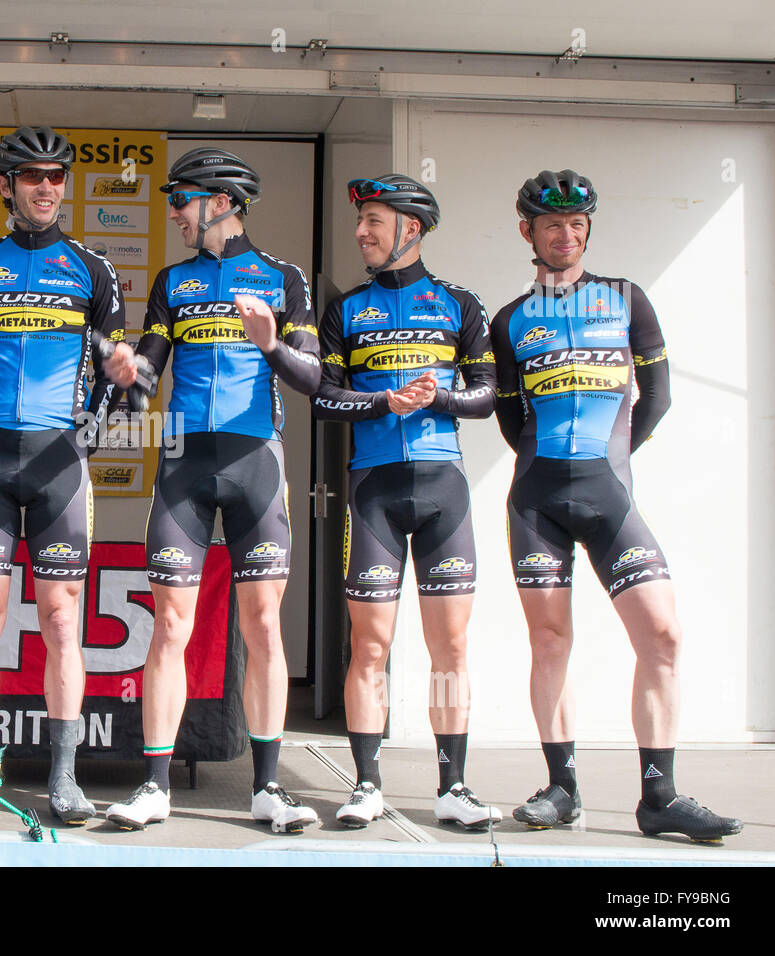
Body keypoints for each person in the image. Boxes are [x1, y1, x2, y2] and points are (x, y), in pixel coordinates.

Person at [490, 169, 741, 842]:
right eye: (551, 225)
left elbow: (655, 397)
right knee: (550, 641)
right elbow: (512, 422)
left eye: (577, 225)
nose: (566, 235)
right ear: (528, 233)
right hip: (537, 498)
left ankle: (660, 796)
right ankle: (562, 788)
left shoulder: (628, 300)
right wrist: (555, 462)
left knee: (662, 634)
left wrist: (611, 460)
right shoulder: (510, 320)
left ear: (588, 230)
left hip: (610, 493)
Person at [102, 147, 322, 832]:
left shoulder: (284, 277)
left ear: (221, 201)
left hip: (256, 460)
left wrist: (270, 344)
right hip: (185, 465)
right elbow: (146, 381)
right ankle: (155, 786)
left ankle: (266, 789)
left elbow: (313, 378)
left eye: (183, 199)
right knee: (169, 625)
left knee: (262, 626)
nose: (173, 211)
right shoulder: (173, 281)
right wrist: (125, 373)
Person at [0, 126, 124, 825]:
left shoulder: (92, 269)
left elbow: (112, 372)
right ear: (6, 186)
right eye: (31, 176)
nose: (46, 187)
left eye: (56, 176)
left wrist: (85, 440)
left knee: (60, 619)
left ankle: (65, 779)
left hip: (60, 463)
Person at [312, 175, 500, 830]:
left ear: (409, 230)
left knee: (450, 645)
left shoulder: (458, 303)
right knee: (370, 644)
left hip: (443, 487)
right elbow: (324, 398)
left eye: (373, 221)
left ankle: (455, 786)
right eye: (360, 220)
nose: (361, 232)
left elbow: (487, 396)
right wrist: (381, 403)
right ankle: (366, 783)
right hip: (373, 490)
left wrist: (437, 400)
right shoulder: (346, 309)